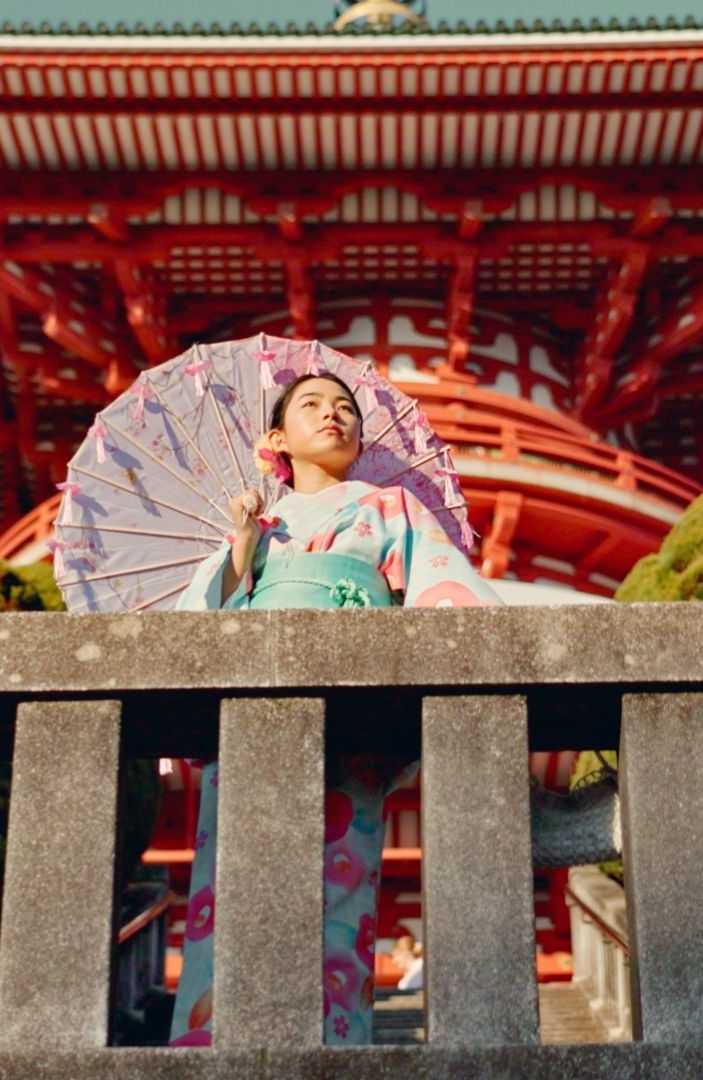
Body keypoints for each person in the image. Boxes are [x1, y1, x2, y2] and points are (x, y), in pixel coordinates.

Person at [166, 371, 562, 1047]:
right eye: (312, 405)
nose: (334, 416)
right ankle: (216, 1048)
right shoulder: (258, 526)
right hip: (253, 715)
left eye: (346, 408)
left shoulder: (392, 508)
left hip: (355, 719)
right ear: (275, 438)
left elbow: (445, 594)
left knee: (340, 896)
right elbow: (194, 628)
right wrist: (240, 550)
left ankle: (336, 1047)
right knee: (230, 893)